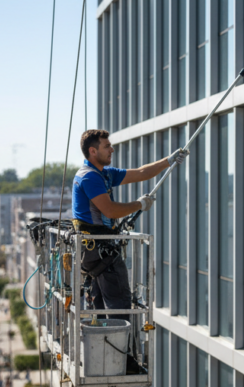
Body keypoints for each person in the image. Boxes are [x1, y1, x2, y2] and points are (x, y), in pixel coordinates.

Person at [72, 129, 184, 318]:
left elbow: (141, 172)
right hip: (99, 251)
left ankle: (106, 343)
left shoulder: (103, 174)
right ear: (93, 151)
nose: (112, 149)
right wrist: (139, 204)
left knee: (101, 310)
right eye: (106, 146)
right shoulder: (89, 177)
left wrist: (168, 161)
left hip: (96, 252)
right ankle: (119, 347)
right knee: (119, 308)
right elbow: (110, 210)